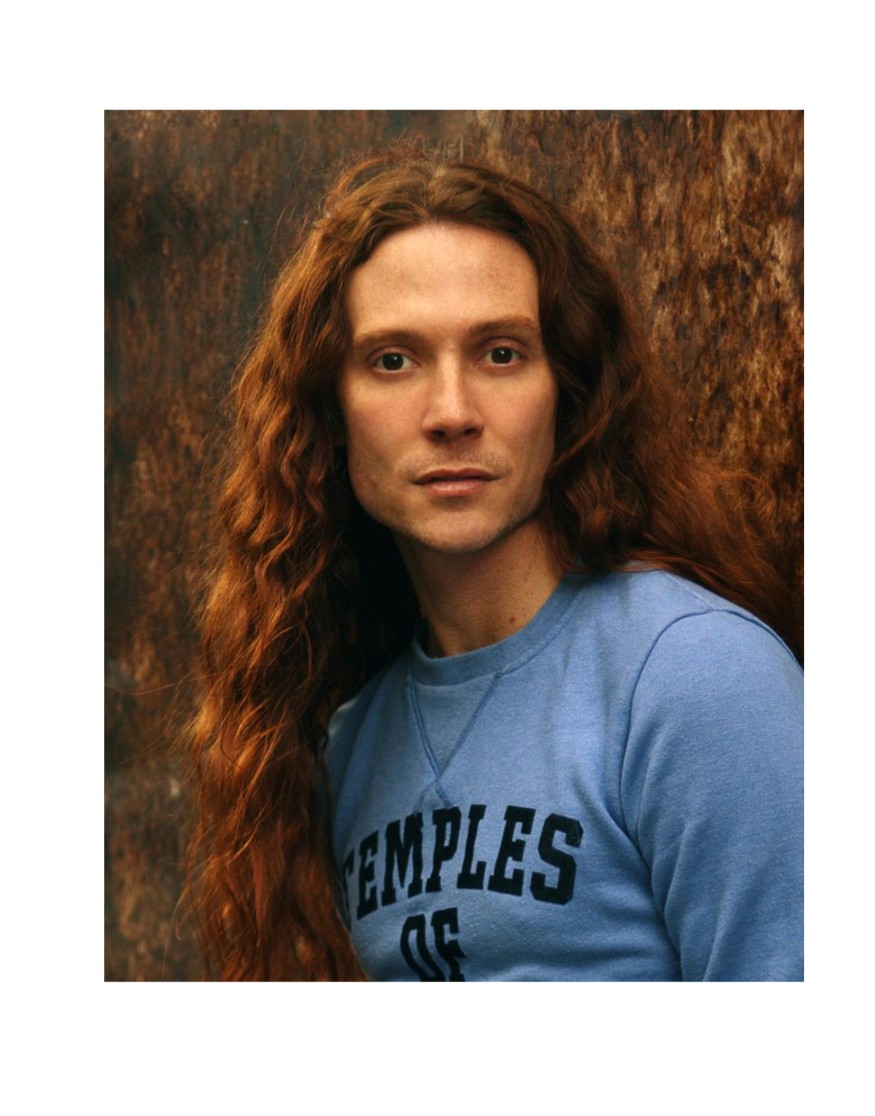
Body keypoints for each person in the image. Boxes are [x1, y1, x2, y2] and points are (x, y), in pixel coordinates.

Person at [187, 146, 803, 981]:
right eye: (393, 360)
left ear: (568, 393)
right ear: (331, 412)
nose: (451, 412)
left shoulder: (692, 675)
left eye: (500, 353)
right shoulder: (350, 738)